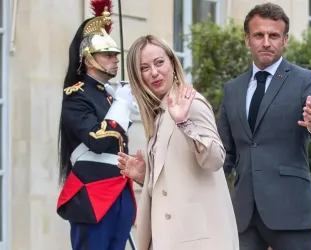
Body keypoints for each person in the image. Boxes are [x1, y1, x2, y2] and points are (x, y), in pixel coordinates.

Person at [217, 3, 311, 250]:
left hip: (292, 211)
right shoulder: (233, 89)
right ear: (247, 39)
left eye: (273, 35)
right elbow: (225, 154)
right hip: (244, 215)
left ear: (285, 40)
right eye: (258, 35)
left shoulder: (305, 80)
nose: (266, 42)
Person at [117, 34, 239, 250]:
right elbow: (177, 180)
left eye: (159, 62)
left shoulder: (191, 104)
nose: (154, 72)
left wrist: (184, 123)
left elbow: (215, 160)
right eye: (144, 68)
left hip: (197, 240)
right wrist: (146, 177)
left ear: (172, 63)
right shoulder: (160, 113)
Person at [56, 0, 139, 249]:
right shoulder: (76, 95)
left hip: (119, 191)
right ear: (90, 59)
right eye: (108, 55)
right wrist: (122, 106)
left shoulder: (110, 94)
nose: (115, 59)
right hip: (93, 194)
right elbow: (98, 141)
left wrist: (122, 101)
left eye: (116, 54)